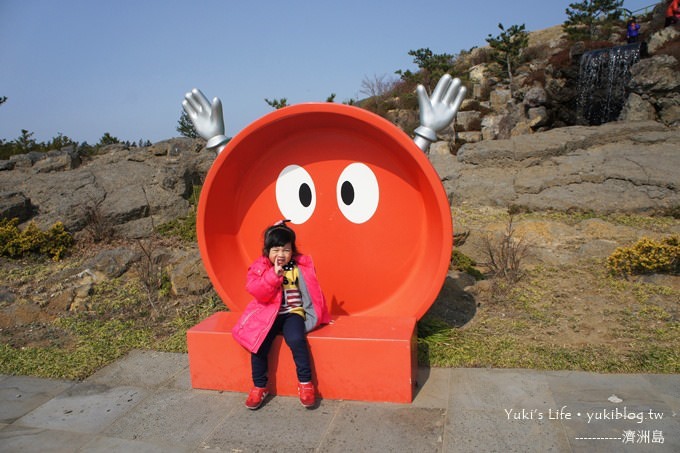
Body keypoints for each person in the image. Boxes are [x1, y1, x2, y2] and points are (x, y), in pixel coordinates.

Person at [232, 220, 331, 409]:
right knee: (259, 345)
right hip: (267, 314)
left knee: (296, 339)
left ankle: (305, 383)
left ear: (292, 250)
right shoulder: (261, 268)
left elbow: (312, 292)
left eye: (285, 249)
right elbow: (257, 291)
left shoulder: (298, 267)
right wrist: (273, 276)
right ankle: (259, 386)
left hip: (292, 313)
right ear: (267, 251)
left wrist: (314, 315)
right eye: (276, 250)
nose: (281, 254)